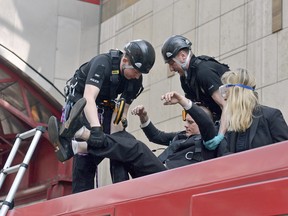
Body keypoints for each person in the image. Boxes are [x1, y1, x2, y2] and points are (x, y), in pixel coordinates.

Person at [48, 39, 156, 193]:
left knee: (122, 147)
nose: (137, 76)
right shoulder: (102, 63)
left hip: (106, 106)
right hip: (82, 102)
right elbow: (89, 97)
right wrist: (96, 129)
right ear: (125, 60)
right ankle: (77, 140)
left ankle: (73, 147)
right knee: (86, 161)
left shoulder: (135, 80)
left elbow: (121, 112)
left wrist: (116, 137)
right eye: (136, 71)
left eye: (141, 73)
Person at [49, 91, 227, 179]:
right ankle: (75, 146)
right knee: (124, 139)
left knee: (137, 149)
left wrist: (182, 101)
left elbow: (204, 121)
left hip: (171, 178)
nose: (185, 124)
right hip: (155, 174)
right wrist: (144, 117)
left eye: (190, 122)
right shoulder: (180, 136)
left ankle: (81, 132)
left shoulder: (208, 141)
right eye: (185, 120)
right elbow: (156, 136)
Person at [161, 35, 230, 149]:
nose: (171, 69)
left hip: (235, 120)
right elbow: (198, 110)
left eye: (171, 63)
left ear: (182, 56)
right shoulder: (185, 78)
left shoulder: (203, 71)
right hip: (219, 121)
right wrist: (181, 101)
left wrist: (220, 136)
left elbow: (226, 105)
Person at [218, 68, 288, 152]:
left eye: (226, 92)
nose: (224, 97)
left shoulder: (270, 116)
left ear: (237, 93)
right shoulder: (229, 125)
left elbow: (284, 152)